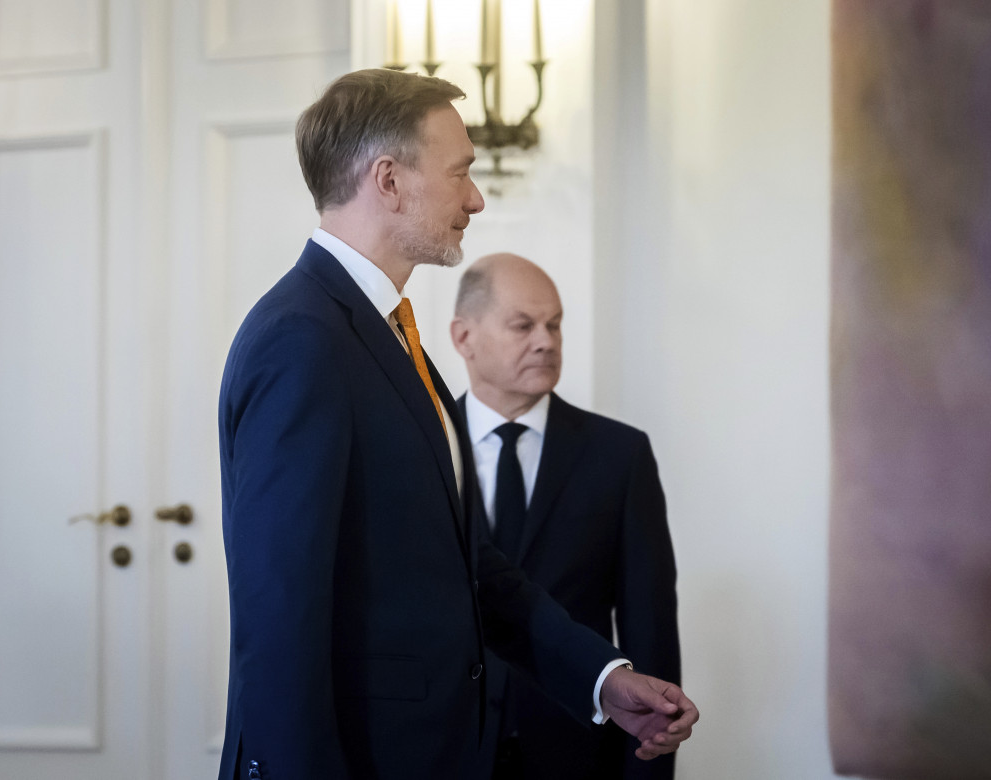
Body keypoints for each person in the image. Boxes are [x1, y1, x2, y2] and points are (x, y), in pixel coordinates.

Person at [217, 68, 697, 780]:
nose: (475, 198)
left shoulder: (388, 337)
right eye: (461, 172)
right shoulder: (303, 340)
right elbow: (280, 615)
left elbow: (473, 569)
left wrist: (601, 679)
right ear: (389, 180)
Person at [450, 254, 681, 780]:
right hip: (447, 752)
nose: (546, 341)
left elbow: (650, 634)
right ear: (464, 337)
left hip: (577, 753)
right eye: (523, 325)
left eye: (554, 325)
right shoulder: (423, 452)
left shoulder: (619, 456)